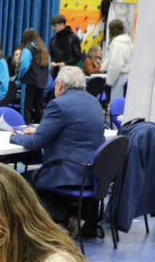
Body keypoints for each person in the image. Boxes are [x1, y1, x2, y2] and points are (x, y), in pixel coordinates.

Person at [9, 66, 106, 222]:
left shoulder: (59, 104)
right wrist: (41, 131)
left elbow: (35, 143)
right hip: (92, 174)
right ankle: (68, 215)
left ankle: (56, 218)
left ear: (60, 84)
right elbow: (74, 130)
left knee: (15, 181)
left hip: (66, 174)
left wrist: (14, 137)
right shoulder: (94, 102)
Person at [16, 27, 50, 124]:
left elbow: (24, 65)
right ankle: (41, 127)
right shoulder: (44, 49)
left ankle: (24, 127)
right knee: (39, 107)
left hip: (29, 82)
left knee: (26, 107)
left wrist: (20, 77)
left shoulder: (28, 49)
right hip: (42, 82)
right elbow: (48, 66)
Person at [101, 19, 133, 104]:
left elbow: (116, 65)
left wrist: (109, 82)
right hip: (128, 78)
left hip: (119, 79)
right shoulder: (129, 42)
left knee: (116, 105)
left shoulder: (117, 43)